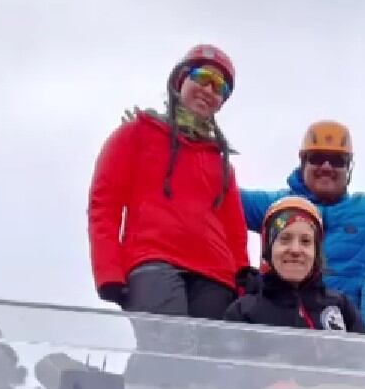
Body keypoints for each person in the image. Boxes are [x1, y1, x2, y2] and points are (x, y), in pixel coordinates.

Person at [88, 44, 249, 321]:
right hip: (152, 262)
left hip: (216, 276)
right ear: (180, 80)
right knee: (168, 347)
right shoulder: (136, 133)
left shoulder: (222, 163)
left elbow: (235, 233)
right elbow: (105, 204)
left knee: (209, 360)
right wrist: (108, 271)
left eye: (220, 87)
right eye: (202, 78)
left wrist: (244, 284)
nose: (209, 90)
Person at [238, 121, 365, 328]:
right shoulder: (275, 205)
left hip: (345, 335)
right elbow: (219, 190)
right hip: (277, 328)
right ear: (302, 163)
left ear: (349, 167)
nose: (326, 167)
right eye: (317, 158)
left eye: (337, 160)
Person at [224, 196, 365, 334]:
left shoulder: (341, 306)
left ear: (317, 251)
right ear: (268, 249)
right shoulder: (244, 312)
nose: (295, 250)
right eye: (285, 239)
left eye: (305, 241)